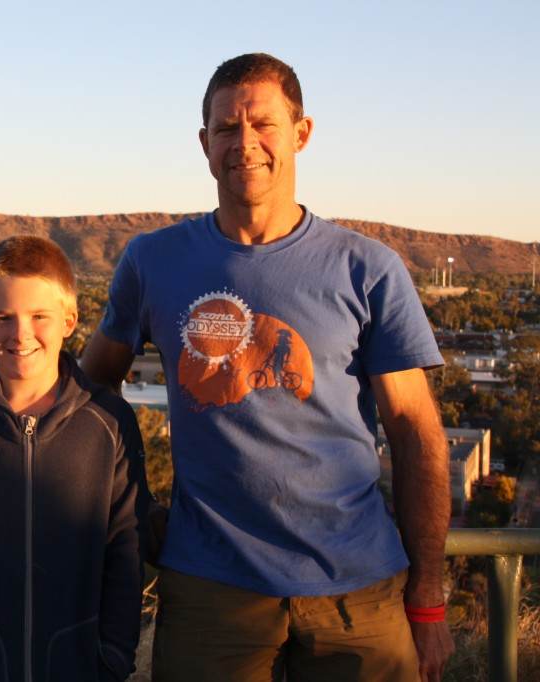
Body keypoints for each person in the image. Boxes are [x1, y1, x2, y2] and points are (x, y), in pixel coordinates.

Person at [80, 53, 455, 682]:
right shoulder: (152, 261)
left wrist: (428, 596)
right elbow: (89, 394)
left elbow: (415, 431)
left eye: (263, 124)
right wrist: (132, 503)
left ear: (301, 133)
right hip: (210, 587)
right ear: (204, 143)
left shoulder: (366, 268)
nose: (244, 143)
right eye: (226, 127)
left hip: (357, 590)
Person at [0, 235, 148, 681]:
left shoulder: (108, 424)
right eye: (2, 318)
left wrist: (113, 656)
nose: (21, 334)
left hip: (81, 668)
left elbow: (125, 550)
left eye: (39, 316)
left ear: (69, 321)